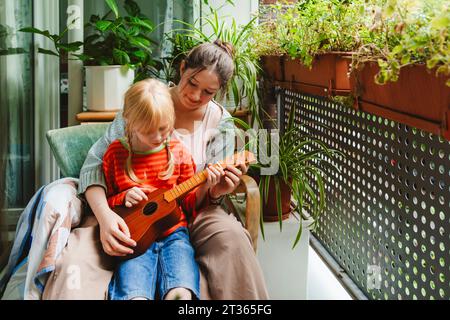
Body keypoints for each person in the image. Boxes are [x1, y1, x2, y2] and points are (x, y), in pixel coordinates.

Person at [42, 40, 269, 300]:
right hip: (124, 210)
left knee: (233, 240)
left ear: (219, 91)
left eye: (208, 92)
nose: (195, 96)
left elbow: (203, 197)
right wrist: (105, 218)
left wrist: (216, 191)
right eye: (192, 83)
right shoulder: (146, 101)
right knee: (75, 259)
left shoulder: (220, 123)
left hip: (189, 214)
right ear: (183, 68)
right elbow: (94, 167)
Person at [103, 78, 225, 300]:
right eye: (148, 131)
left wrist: (206, 187)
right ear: (128, 121)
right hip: (134, 242)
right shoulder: (115, 154)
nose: (158, 137)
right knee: (133, 294)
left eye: (163, 129)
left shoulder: (178, 153)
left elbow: (188, 205)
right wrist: (123, 197)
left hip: (174, 235)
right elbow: (108, 201)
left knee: (181, 292)